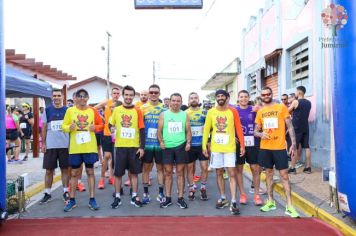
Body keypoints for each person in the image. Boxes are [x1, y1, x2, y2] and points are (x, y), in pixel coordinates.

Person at [254, 86, 300, 218]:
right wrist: (260, 134)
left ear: (271, 94)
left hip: (279, 147)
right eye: (264, 94)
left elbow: (290, 126)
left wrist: (294, 144)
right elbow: (255, 131)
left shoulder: (281, 107)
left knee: (284, 176)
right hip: (266, 148)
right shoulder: (260, 111)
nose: (266, 96)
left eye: (268, 94)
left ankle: (290, 206)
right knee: (268, 174)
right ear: (261, 96)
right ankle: (270, 201)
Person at [202, 89, 245, 215]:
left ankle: (233, 200)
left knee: (232, 173)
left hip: (230, 148)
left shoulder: (233, 111)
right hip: (216, 148)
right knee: (219, 172)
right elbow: (206, 130)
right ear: (216, 98)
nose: (220, 98)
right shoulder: (211, 112)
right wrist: (204, 146)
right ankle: (223, 197)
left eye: (222, 96)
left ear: (227, 97)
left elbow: (239, 129)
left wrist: (242, 145)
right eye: (218, 96)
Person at [62, 88, 102, 212]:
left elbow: (102, 125)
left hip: (89, 147)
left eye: (84, 96)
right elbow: (64, 126)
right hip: (75, 148)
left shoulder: (93, 111)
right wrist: (69, 127)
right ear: (76, 98)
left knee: (90, 172)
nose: (82, 98)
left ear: (88, 97)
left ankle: (92, 199)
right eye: (80, 96)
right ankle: (72, 200)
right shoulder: (70, 111)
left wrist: (94, 127)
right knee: (74, 173)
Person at [110, 85, 145, 208]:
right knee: (118, 174)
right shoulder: (117, 110)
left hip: (134, 147)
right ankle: (118, 197)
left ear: (133, 96)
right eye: (127, 95)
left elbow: (141, 130)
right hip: (120, 147)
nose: (129, 97)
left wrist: (142, 147)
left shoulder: (138, 111)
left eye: (131, 95)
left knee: (134, 173)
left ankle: (134, 196)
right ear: (123, 96)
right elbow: (110, 124)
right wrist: (111, 128)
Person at [158, 93, 191, 209]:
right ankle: (168, 198)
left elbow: (188, 130)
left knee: (180, 173)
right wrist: (161, 141)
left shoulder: (185, 115)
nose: (176, 103)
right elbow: (159, 130)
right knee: (167, 173)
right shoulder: (164, 114)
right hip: (167, 147)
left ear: (181, 102)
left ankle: (181, 198)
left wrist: (188, 142)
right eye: (174, 100)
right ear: (170, 102)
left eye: (178, 101)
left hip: (181, 146)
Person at [40, 89, 70, 204]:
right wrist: (43, 143)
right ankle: (47, 193)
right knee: (49, 170)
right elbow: (43, 128)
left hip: (65, 145)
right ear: (52, 97)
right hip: (51, 145)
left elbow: (71, 129)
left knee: (65, 170)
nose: (56, 97)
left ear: (62, 97)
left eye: (58, 95)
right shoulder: (47, 110)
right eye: (54, 96)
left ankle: (65, 191)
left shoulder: (68, 110)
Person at [235, 90, 262, 206]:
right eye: (241, 97)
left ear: (249, 98)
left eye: (245, 97)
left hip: (253, 143)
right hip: (239, 144)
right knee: (239, 170)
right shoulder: (234, 110)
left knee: (255, 169)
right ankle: (242, 194)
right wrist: (233, 137)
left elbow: (261, 122)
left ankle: (256, 195)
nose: (243, 99)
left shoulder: (254, 109)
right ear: (238, 98)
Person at [141, 84, 166, 204]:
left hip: (160, 144)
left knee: (161, 169)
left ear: (159, 93)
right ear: (148, 93)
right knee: (146, 168)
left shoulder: (165, 108)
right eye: (151, 92)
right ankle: (145, 193)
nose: (153, 94)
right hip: (147, 144)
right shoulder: (142, 108)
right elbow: (139, 127)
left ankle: (161, 193)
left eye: (156, 92)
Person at [95, 87, 121, 189]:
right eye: (114, 93)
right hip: (106, 133)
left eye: (118, 93)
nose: (116, 95)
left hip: (117, 135)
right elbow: (93, 109)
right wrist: (102, 119)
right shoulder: (106, 102)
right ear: (111, 93)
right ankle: (101, 179)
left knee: (114, 157)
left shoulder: (121, 104)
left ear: (120, 95)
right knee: (106, 156)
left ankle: (111, 177)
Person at [185, 92, 209, 201]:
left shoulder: (204, 113)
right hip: (190, 145)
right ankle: (191, 188)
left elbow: (211, 127)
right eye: (191, 98)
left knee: (204, 167)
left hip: (202, 145)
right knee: (190, 168)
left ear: (198, 99)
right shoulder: (185, 113)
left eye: (195, 98)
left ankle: (203, 187)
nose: (193, 100)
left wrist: (206, 128)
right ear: (189, 100)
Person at [288, 86, 312, 174]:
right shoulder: (309, 103)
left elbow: (287, 111)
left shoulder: (295, 101)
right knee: (306, 146)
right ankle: (308, 167)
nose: (295, 93)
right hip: (305, 126)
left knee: (294, 146)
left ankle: (292, 168)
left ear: (299, 92)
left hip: (296, 127)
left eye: (296, 91)